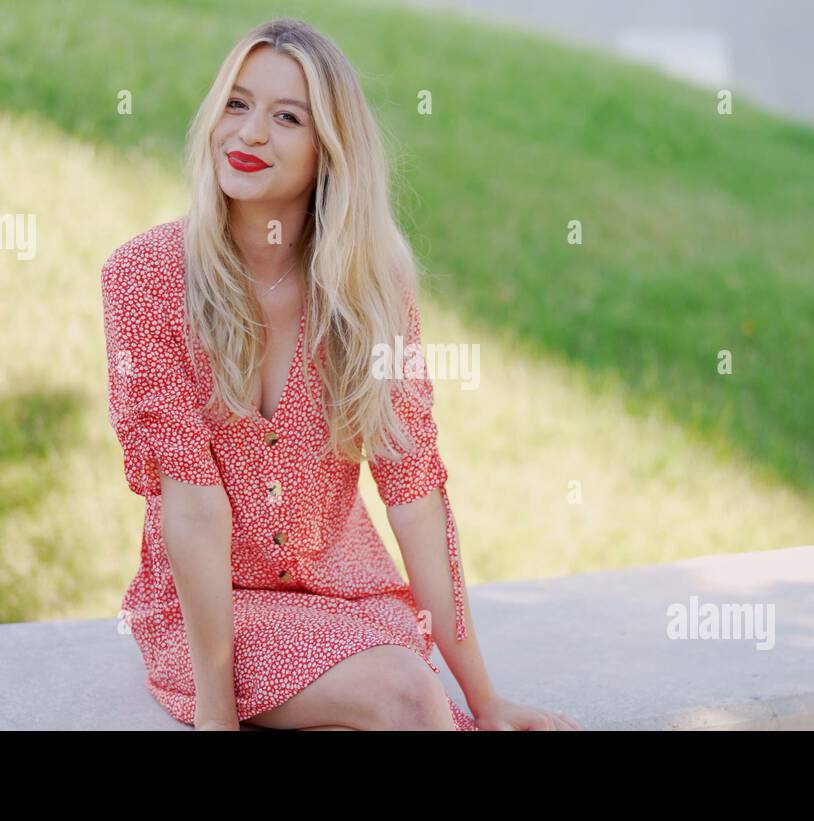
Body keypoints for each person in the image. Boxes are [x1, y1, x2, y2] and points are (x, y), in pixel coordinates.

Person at [102, 17, 579, 731]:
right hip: (209, 619)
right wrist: (216, 714)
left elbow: (415, 493)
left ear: (329, 150)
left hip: (353, 608)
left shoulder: (371, 288)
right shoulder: (144, 278)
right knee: (407, 700)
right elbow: (193, 509)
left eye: (286, 116)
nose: (250, 132)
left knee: (416, 700)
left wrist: (488, 699)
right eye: (237, 104)